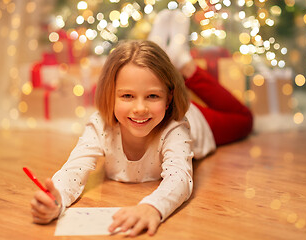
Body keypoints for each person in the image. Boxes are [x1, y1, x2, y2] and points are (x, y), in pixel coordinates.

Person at [30, 10, 253, 237]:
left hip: (199, 121)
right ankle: (159, 52)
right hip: (161, 107)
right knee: (144, 81)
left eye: (152, 96)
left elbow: (180, 178)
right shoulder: (100, 124)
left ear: (168, 98)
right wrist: (56, 198)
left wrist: (152, 207)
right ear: (110, 95)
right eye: (127, 96)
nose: (139, 108)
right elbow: (73, 169)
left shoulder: (176, 126)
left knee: (245, 120)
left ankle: (184, 64)